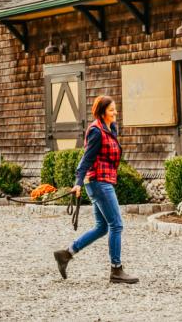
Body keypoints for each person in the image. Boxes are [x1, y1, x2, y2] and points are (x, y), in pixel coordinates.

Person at [53, 95, 138, 284]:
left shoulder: (110, 128)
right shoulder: (96, 132)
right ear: (102, 112)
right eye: (111, 110)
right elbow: (86, 159)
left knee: (102, 228)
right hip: (99, 182)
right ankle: (116, 270)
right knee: (116, 224)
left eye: (115, 109)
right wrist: (78, 182)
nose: (115, 112)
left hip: (103, 180)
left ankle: (66, 254)